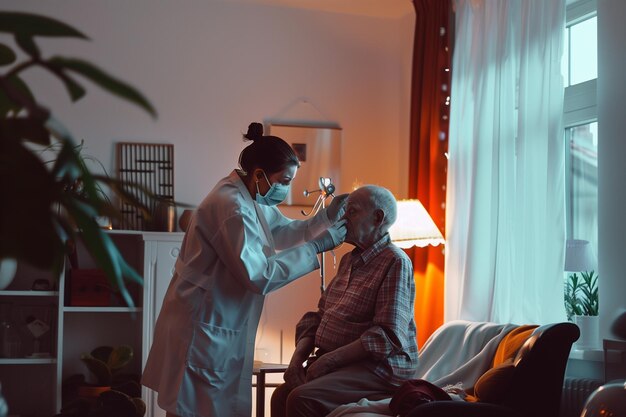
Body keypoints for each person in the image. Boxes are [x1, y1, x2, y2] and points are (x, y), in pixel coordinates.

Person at [141, 122, 348, 417]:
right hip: (203, 323)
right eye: (285, 181)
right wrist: (316, 247)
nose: (286, 190)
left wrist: (325, 218)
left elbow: (283, 231)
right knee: (193, 408)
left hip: (215, 318)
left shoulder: (250, 194)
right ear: (260, 174)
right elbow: (259, 275)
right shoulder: (232, 207)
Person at [270, 185, 419, 417]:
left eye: (352, 212)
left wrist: (328, 360)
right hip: (344, 363)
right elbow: (319, 318)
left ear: (377, 218)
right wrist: (296, 361)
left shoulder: (396, 262)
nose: (343, 219)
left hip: (379, 369)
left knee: (301, 398)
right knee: (281, 394)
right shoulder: (349, 259)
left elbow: (387, 336)